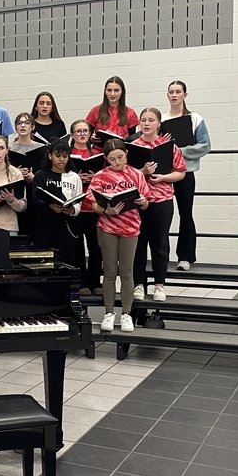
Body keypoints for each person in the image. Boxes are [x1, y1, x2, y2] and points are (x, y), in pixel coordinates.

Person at [90, 139, 149, 334]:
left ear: (126, 154)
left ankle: (126, 313)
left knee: (126, 272)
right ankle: (108, 312)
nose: (117, 162)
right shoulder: (100, 176)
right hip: (107, 227)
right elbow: (93, 204)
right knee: (109, 271)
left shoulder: (137, 174)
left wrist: (142, 201)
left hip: (131, 228)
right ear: (106, 158)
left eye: (120, 157)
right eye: (112, 159)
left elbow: (146, 203)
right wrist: (107, 212)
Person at [131, 107, 187, 303]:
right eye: (143, 120)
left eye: (151, 120)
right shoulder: (132, 146)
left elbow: (181, 172)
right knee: (138, 244)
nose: (146, 124)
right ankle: (139, 284)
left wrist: (162, 177)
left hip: (162, 201)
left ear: (158, 124)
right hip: (138, 202)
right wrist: (143, 171)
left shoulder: (169, 146)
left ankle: (159, 286)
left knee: (159, 244)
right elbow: (126, 174)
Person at [162, 81, 211, 270]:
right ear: (167, 95)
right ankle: (162, 256)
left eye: (178, 92)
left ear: (185, 95)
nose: (174, 95)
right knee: (163, 214)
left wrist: (179, 151)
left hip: (185, 172)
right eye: (171, 92)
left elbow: (205, 145)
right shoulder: (161, 119)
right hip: (165, 173)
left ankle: (185, 257)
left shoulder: (194, 118)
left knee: (186, 213)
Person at [31, 140, 82, 266]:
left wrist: (73, 210)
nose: (61, 160)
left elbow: (79, 201)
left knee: (67, 260)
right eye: (58, 156)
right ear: (50, 156)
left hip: (67, 224)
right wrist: (49, 206)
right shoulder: (41, 175)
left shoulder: (74, 177)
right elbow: (35, 200)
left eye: (65, 156)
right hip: (46, 224)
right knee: (46, 261)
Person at [69, 119, 103, 296]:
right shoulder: (66, 154)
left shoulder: (98, 153)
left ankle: (95, 281)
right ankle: (81, 282)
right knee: (77, 247)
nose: (82, 134)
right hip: (75, 206)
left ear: (90, 134)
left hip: (93, 206)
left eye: (85, 131)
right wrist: (77, 177)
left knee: (95, 246)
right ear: (72, 134)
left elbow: (106, 176)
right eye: (78, 131)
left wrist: (93, 177)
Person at [9, 112, 44, 239]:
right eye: (19, 123)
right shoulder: (8, 148)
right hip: (16, 193)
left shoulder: (42, 148)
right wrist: (16, 173)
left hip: (33, 192)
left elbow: (45, 174)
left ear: (32, 127)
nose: (23, 126)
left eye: (27, 123)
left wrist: (34, 178)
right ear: (16, 127)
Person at [86, 76, 138, 146]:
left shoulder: (130, 113)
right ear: (105, 91)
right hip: (99, 152)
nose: (112, 94)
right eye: (109, 90)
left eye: (116, 90)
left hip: (120, 152)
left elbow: (132, 140)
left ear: (122, 92)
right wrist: (90, 139)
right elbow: (86, 136)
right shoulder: (95, 111)